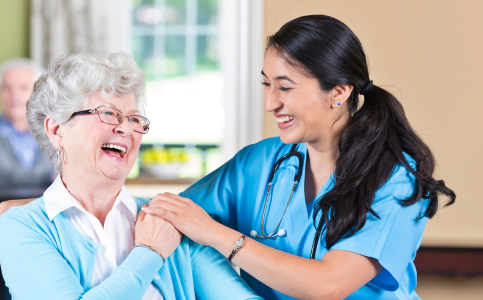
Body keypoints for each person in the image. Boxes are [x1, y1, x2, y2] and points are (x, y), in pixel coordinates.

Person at [142, 15, 456, 299]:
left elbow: (328, 285)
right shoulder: (258, 163)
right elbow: (168, 217)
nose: (270, 103)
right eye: (266, 84)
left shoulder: (394, 178)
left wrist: (215, 234)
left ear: (338, 92)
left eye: (285, 87)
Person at [0, 52, 261, 299]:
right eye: (108, 113)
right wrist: (150, 252)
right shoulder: (21, 227)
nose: (125, 128)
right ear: (56, 130)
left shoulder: (168, 220)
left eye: (134, 119)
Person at [0, 59, 54, 191]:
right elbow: (0, 176)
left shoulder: (52, 131)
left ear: (38, 94)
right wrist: (51, 176)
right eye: (7, 88)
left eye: (23, 88)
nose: (14, 95)